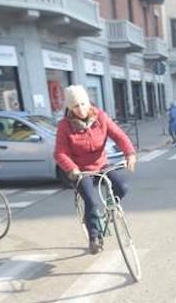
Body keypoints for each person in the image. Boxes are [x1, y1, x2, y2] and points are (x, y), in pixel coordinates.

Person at [55, 85, 137, 255]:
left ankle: (110, 210)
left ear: (88, 102)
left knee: (122, 187)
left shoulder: (100, 117)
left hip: (101, 165)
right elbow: (59, 153)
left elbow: (119, 135)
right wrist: (72, 168)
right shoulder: (64, 126)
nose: (81, 109)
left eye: (83, 104)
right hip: (81, 170)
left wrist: (129, 153)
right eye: (76, 106)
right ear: (70, 107)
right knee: (91, 201)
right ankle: (94, 237)